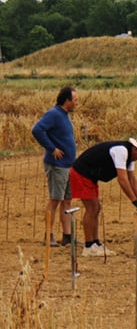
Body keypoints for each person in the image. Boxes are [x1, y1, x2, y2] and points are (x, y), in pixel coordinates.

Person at [70, 135, 137, 257]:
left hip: (90, 176)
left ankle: (95, 243)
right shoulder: (121, 151)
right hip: (81, 173)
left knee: (96, 208)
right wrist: (134, 200)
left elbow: (132, 179)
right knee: (92, 208)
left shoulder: (130, 157)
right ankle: (89, 246)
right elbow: (123, 179)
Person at [32, 86, 78, 247]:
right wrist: (52, 148)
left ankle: (67, 236)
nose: (77, 103)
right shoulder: (54, 114)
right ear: (67, 101)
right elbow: (37, 130)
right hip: (57, 165)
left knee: (67, 200)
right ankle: (48, 235)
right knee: (55, 199)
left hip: (68, 165)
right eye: (75, 100)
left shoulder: (64, 115)